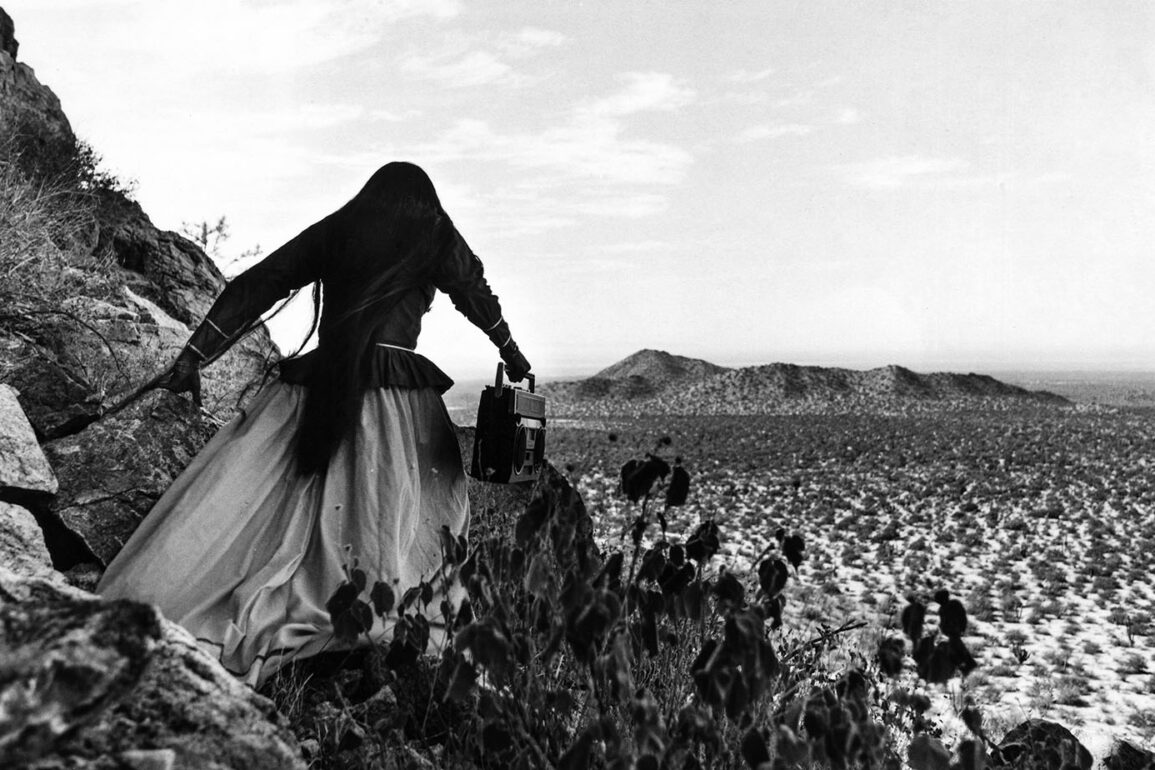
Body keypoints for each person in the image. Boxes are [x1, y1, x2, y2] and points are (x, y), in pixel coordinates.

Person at [97, 162, 530, 687]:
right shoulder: (433, 231)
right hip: (396, 400)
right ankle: (373, 613)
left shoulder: (340, 227)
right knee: (414, 510)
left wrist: (195, 355)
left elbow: (261, 283)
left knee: (265, 504)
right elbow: (474, 291)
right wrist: (511, 352)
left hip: (315, 388)